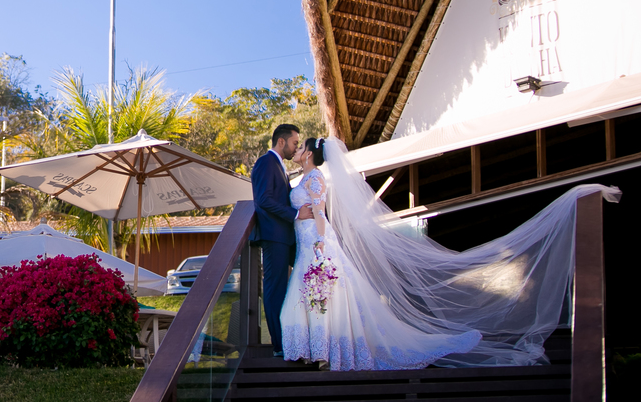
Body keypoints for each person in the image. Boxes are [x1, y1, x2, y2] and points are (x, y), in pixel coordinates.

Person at [279, 137, 619, 371]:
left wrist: (321, 243)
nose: (296, 150)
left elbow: (321, 213)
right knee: (315, 294)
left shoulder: (315, 179)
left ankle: (328, 350)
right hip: (307, 240)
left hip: (317, 243)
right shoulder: (304, 179)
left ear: (309, 154)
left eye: (300, 147)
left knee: (323, 293)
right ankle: (316, 348)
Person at [250, 123, 312, 356]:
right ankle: (279, 345)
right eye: (295, 143)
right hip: (273, 237)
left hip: (285, 238)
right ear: (281, 141)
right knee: (275, 289)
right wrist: (296, 214)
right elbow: (263, 200)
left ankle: (294, 338)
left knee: (292, 287)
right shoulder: (266, 163)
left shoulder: (278, 165)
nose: (296, 147)